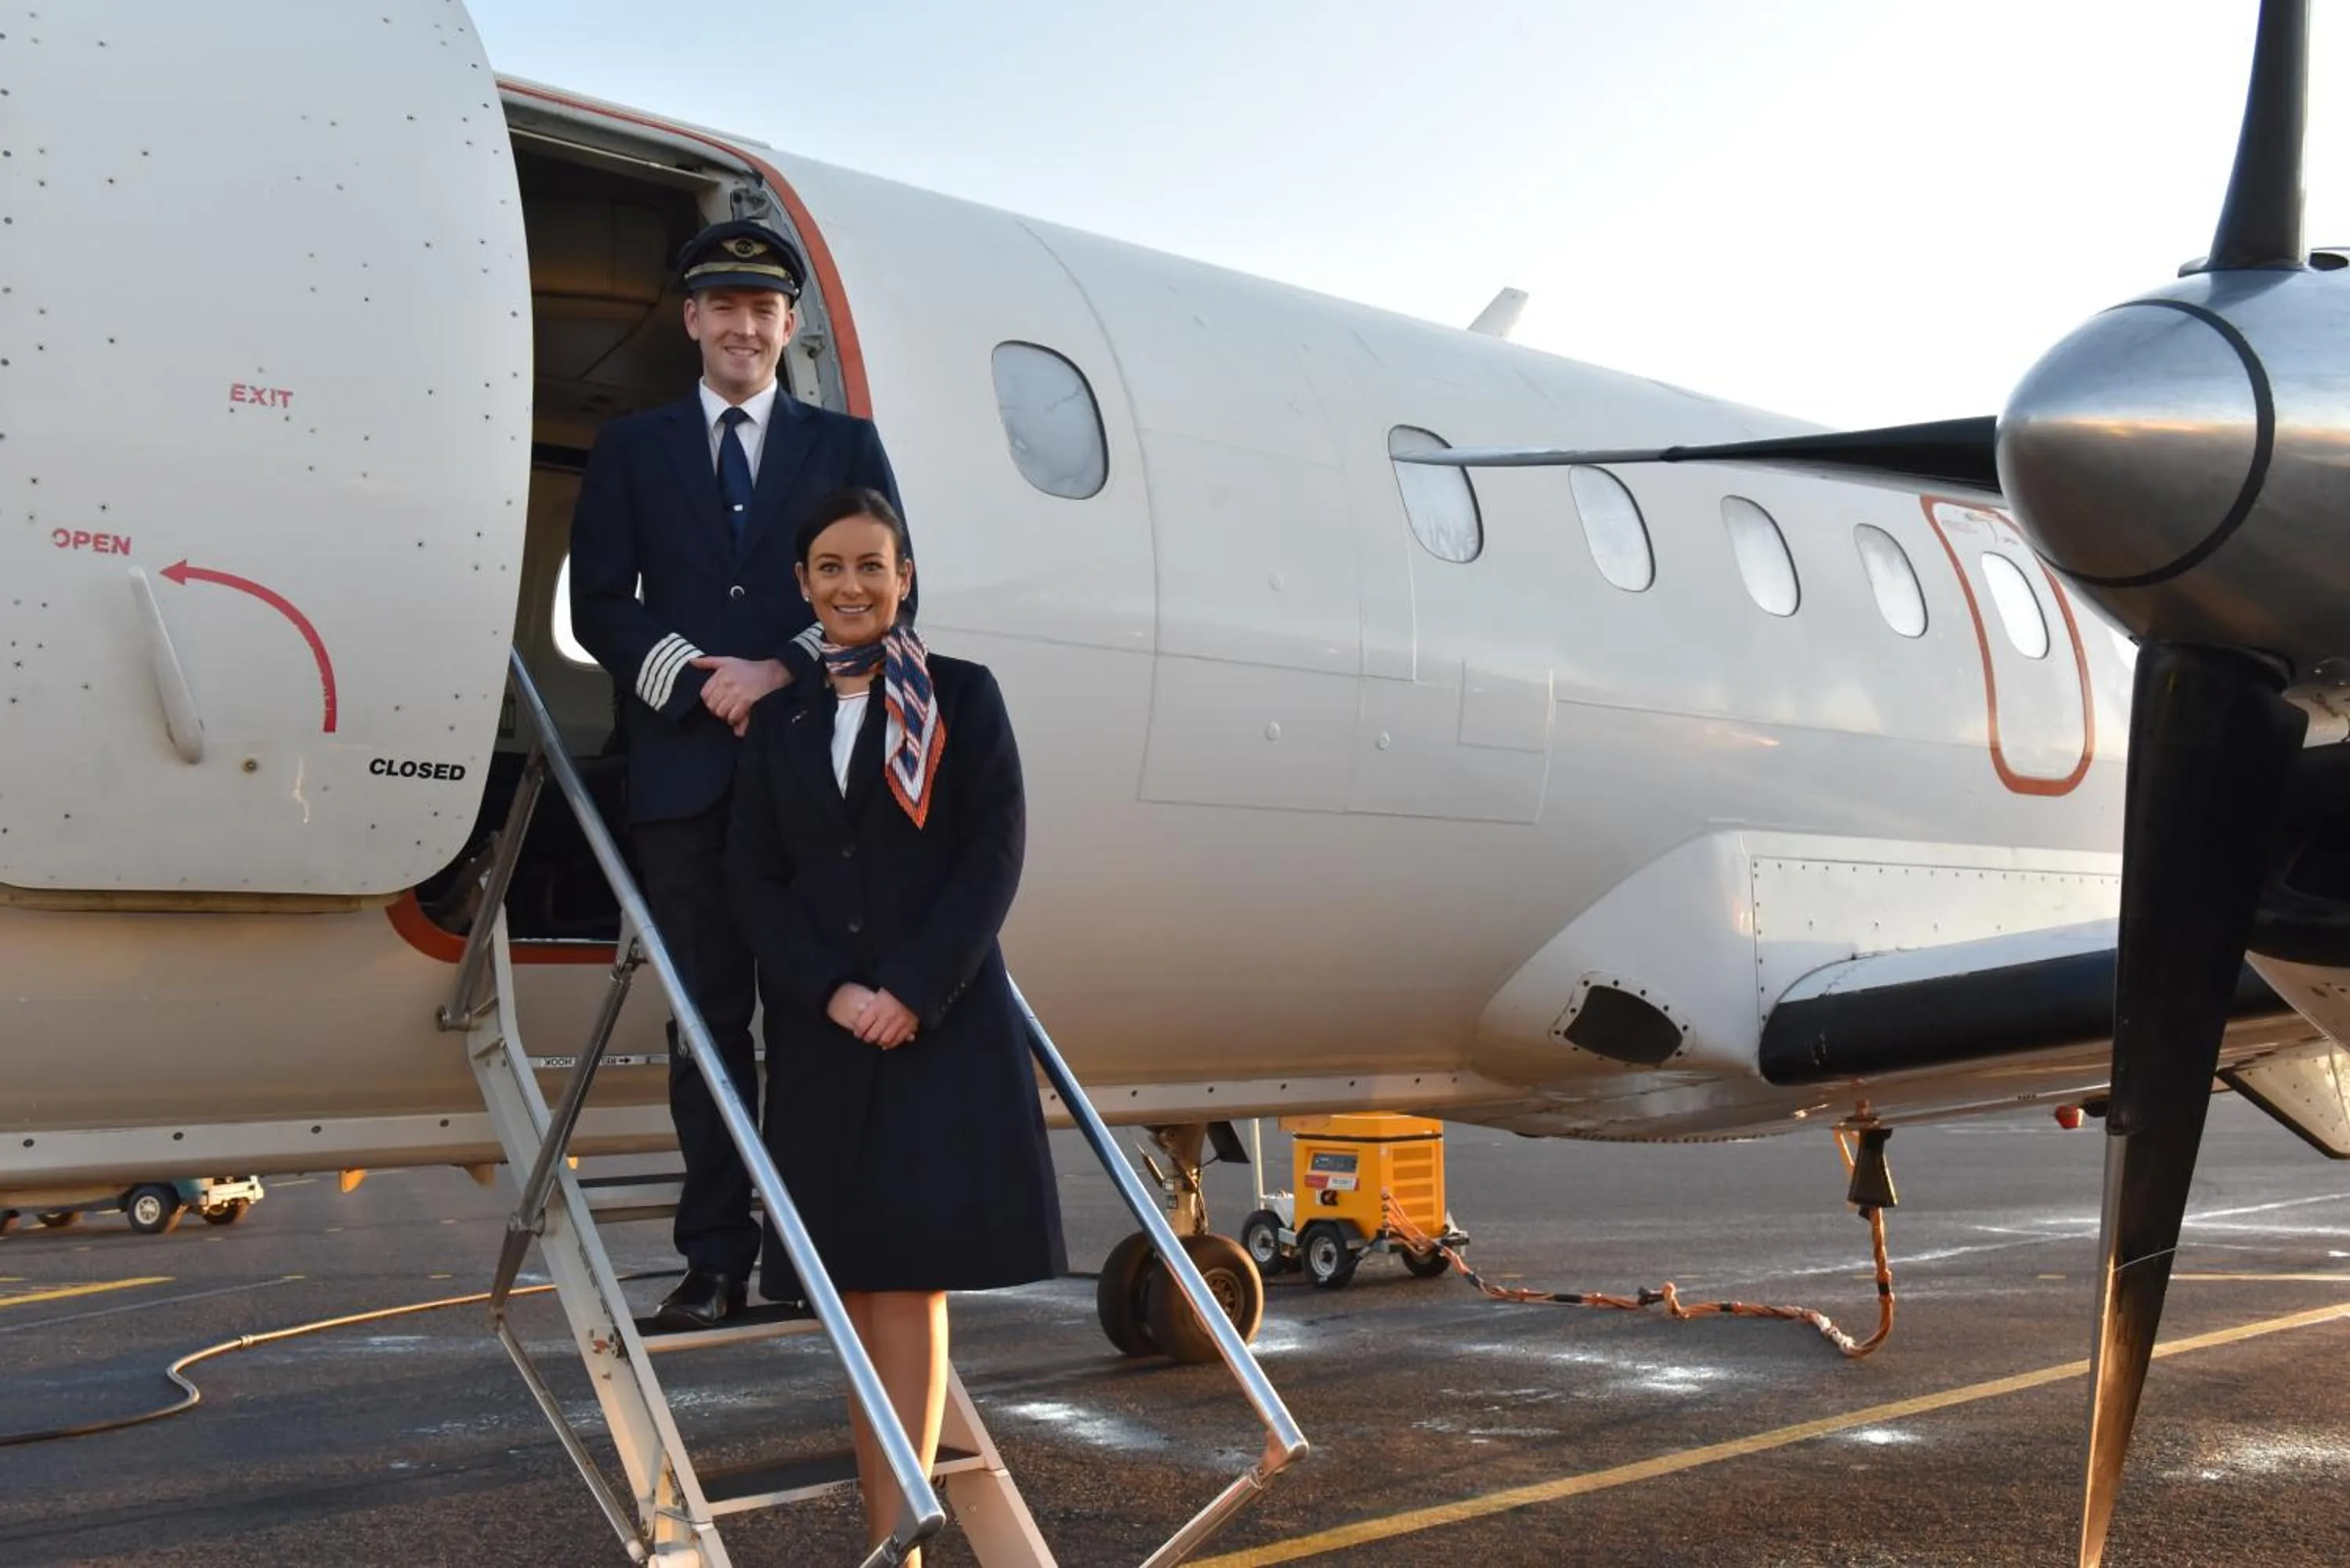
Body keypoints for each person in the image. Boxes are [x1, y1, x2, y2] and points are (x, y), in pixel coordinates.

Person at [569, 219, 906, 1330]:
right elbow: (599, 602)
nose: (743, 327)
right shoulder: (633, 447)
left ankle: (810, 1253)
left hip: (811, 770)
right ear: (692, 320)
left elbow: (886, 590)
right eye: (723, 306)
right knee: (706, 1026)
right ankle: (714, 1256)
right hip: (683, 780)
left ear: (788, 324)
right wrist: (692, 677)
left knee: (813, 1016)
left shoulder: (845, 445)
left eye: (763, 310)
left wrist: (778, 670)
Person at [728, 488, 1064, 1564]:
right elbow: (755, 879)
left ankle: (898, 1542)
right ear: (802, 584)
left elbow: (993, 853)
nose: (852, 585)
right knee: (853, 1282)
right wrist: (832, 988)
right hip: (827, 1031)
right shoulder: (781, 719)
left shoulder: (960, 695)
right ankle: (891, 1535)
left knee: (908, 1278)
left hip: (936, 1025)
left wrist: (909, 990)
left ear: (904, 576)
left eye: (871, 565)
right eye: (830, 567)